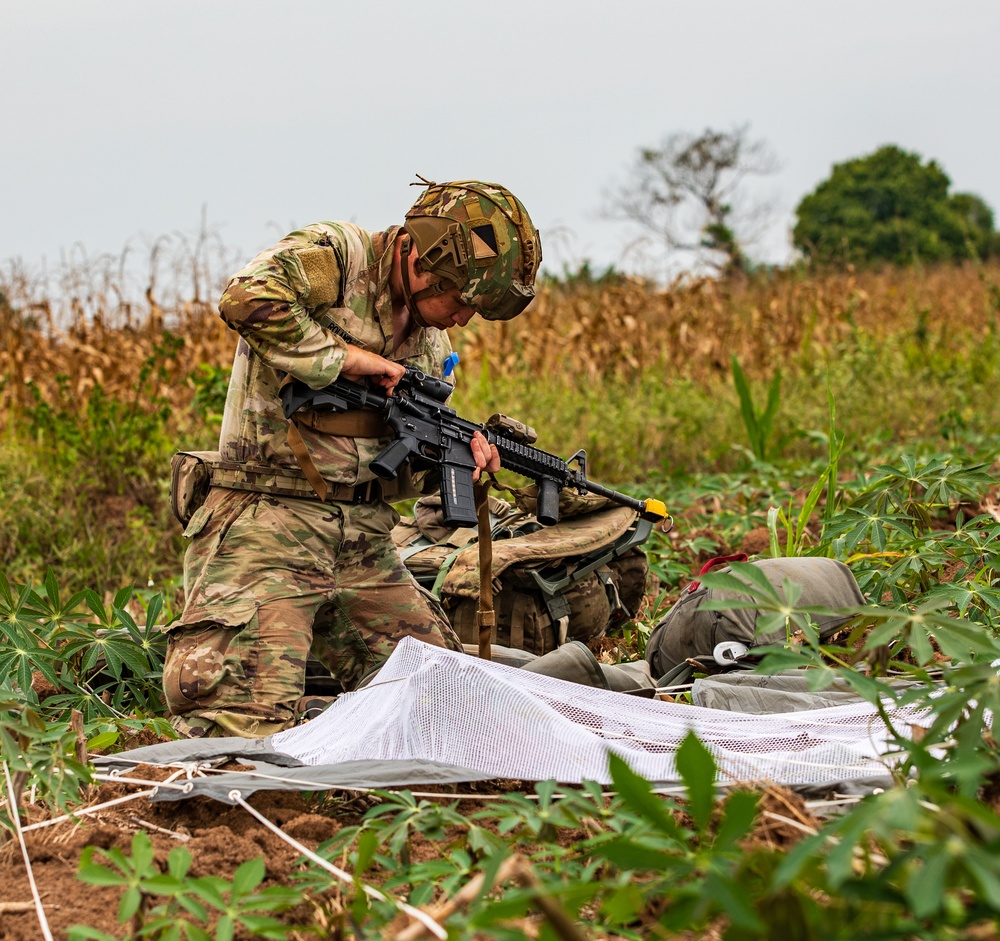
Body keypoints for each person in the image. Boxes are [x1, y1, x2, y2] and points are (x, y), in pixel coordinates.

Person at [162, 180, 542, 738]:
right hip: (269, 522)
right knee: (240, 727)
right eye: (461, 300)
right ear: (425, 261)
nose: (463, 318)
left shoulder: (432, 343)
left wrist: (458, 456)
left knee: (448, 704)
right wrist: (347, 359)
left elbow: (394, 457)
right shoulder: (339, 259)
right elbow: (247, 299)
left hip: (364, 541)